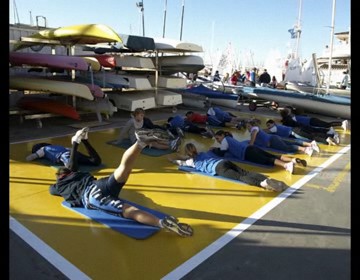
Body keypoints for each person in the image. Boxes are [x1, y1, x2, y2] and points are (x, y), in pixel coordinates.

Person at [49, 127, 193, 237]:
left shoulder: (59, 185)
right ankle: (140, 143)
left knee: (130, 212)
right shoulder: (78, 174)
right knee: (124, 168)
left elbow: (52, 190)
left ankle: (160, 222)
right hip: (99, 184)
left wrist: (57, 184)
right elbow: (73, 167)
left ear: (59, 176)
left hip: (92, 195)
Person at [168, 143, 289, 192]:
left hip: (218, 169)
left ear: (187, 153)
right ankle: (268, 179)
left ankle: (263, 184)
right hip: (224, 161)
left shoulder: (191, 161)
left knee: (241, 177)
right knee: (245, 172)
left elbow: (181, 162)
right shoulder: (203, 153)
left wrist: (173, 159)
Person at [212, 130, 308, 174]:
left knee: (267, 159)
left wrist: (214, 149)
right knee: (274, 156)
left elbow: (222, 153)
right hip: (251, 148)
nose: (217, 140)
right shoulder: (230, 139)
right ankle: (294, 160)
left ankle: (286, 165)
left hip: (247, 153)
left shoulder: (225, 140)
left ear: (222, 135)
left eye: (217, 138)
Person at [26, 127, 102, 167]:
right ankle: (84, 140)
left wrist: (29, 157)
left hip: (65, 155)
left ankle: (75, 142)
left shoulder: (43, 149)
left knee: (72, 168)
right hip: (71, 152)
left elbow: (32, 157)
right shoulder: (55, 146)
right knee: (95, 161)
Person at [115, 107, 181, 151]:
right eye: (141, 115)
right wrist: (118, 141)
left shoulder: (142, 120)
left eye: (143, 115)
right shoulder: (131, 121)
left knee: (156, 139)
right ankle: (171, 147)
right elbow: (123, 131)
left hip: (142, 136)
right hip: (135, 140)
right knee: (154, 143)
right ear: (136, 115)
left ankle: (172, 143)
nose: (142, 117)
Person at [246, 119, 315, 156]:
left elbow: (252, 141)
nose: (247, 128)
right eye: (247, 126)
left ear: (252, 126)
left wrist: (250, 145)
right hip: (274, 138)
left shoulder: (254, 129)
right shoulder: (256, 129)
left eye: (248, 126)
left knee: (286, 148)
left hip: (272, 141)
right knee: (289, 142)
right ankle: (310, 145)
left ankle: (305, 149)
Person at [265, 119, 336, 146]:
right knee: (312, 134)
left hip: (295, 132)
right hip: (296, 129)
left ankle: (327, 140)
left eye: (269, 125)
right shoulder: (278, 126)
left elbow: (265, 131)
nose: (268, 127)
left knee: (311, 137)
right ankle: (330, 135)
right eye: (267, 126)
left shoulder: (274, 128)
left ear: (273, 123)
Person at [280, 107, 349, 132]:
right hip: (310, 120)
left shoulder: (291, 118)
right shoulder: (291, 117)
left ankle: (341, 123)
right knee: (325, 125)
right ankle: (341, 124)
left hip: (310, 121)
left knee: (326, 124)